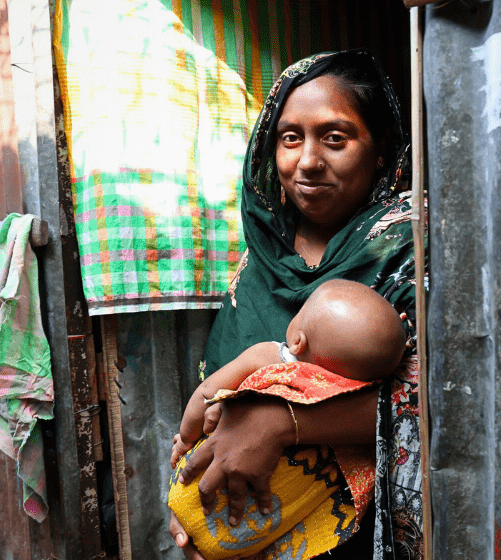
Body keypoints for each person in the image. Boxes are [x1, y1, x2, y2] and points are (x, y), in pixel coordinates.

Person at [168, 49, 423, 560]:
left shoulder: (411, 248)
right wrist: (193, 510)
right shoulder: (262, 258)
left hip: (367, 533)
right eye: (290, 138)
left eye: (335, 138)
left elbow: (436, 401)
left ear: (380, 151)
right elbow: (210, 403)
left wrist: (278, 422)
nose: (307, 161)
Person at [167, 279, 407, 559]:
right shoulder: (356, 404)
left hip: (203, 498)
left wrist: (185, 440)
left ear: (297, 339)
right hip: (272, 533)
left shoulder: (271, 357)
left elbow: (206, 394)